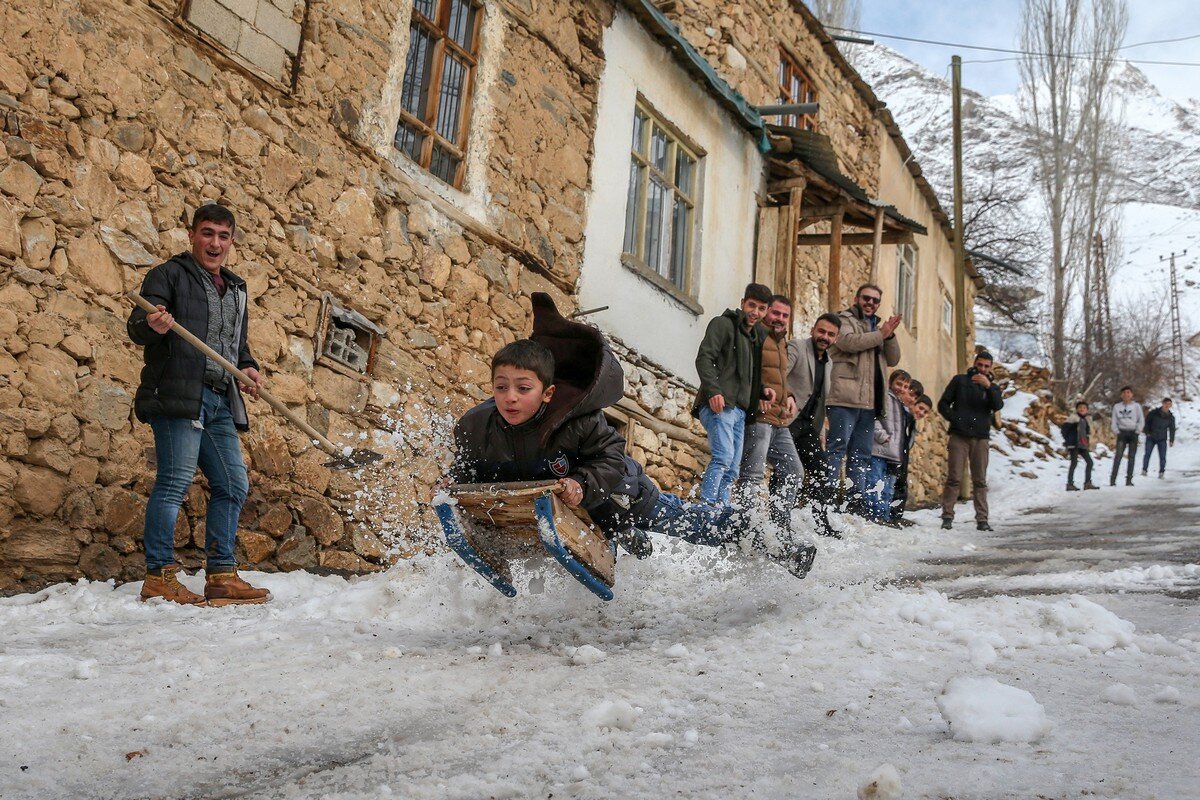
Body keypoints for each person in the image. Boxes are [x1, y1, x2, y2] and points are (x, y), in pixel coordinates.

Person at [450, 298, 816, 578]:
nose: (510, 397)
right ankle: (625, 537)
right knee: (611, 530)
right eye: (501, 387)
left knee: (689, 522)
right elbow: (469, 469)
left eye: (523, 388)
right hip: (569, 511)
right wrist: (452, 485)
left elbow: (609, 458)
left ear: (547, 393)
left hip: (622, 494)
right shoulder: (476, 427)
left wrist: (581, 482)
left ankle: (765, 537)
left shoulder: (577, 419)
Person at [127, 204, 270, 606]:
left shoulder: (238, 289)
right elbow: (138, 326)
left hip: (221, 399)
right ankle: (158, 575)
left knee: (233, 483)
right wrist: (151, 324)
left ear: (232, 242)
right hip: (178, 395)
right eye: (207, 233)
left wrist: (249, 369)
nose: (215, 243)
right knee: (175, 480)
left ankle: (222, 575)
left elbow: (237, 347)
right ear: (192, 235)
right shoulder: (168, 274)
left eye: (223, 236)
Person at [694, 283, 773, 506]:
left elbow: (749, 375)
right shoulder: (723, 324)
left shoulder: (755, 337)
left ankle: (722, 510)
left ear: (766, 312)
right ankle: (707, 507)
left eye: (761, 308)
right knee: (723, 458)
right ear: (742, 304)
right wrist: (713, 391)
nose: (755, 312)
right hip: (720, 406)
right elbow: (704, 359)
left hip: (740, 411)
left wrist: (761, 391)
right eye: (752, 305)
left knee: (733, 467)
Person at [825, 284, 902, 514]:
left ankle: (854, 505)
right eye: (866, 298)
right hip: (844, 399)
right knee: (836, 450)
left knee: (861, 456)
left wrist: (890, 335)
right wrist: (881, 334)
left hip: (869, 403)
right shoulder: (844, 319)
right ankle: (825, 500)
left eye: (875, 301)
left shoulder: (877, 328)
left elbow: (894, 358)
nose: (870, 303)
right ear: (857, 298)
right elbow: (848, 342)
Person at [734, 295, 802, 528]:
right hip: (760, 416)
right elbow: (748, 371)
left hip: (780, 419)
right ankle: (743, 527)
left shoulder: (781, 341)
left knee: (794, 471)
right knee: (752, 475)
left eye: (785, 315)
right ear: (767, 312)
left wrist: (790, 395)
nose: (780, 319)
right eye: (776, 313)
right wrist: (757, 396)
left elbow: (778, 377)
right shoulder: (757, 335)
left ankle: (779, 527)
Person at [785, 313, 841, 537]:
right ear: (813, 330)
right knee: (786, 470)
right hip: (787, 422)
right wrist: (786, 396)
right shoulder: (797, 347)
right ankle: (778, 519)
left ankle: (820, 521)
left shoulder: (829, 363)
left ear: (835, 339)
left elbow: (820, 400)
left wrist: (820, 431)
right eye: (822, 331)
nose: (824, 337)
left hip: (809, 428)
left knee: (821, 471)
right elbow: (779, 375)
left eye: (830, 334)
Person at [938, 351, 1004, 531]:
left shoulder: (993, 388)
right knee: (954, 478)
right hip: (959, 435)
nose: (982, 369)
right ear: (974, 363)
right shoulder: (960, 381)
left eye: (986, 366)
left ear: (990, 368)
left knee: (980, 480)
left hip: (981, 438)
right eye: (980, 364)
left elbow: (998, 405)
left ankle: (982, 519)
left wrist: (989, 387)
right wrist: (955, 418)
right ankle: (947, 516)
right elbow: (943, 404)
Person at [866, 370, 911, 523]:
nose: (902, 388)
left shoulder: (900, 404)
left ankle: (883, 516)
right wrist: (882, 436)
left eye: (905, 386)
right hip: (879, 450)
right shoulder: (885, 397)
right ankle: (873, 515)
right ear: (891, 382)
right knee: (875, 483)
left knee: (887, 488)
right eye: (899, 383)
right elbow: (875, 417)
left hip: (892, 454)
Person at [890, 389, 931, 528]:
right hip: (894, 455)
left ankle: (896, 516)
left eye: (925, 412)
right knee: (892, 485)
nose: (921, 413)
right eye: (921, 408)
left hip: (903, 457)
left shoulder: (912, 421)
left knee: (901, 486)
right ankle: (888, 515)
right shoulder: (902, 416)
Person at [1061, 401, 1099, 491]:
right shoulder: (1072, 418)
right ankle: (1070, 484)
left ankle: (1087, 483)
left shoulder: (1086, 420)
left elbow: (1087, 432)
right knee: (1074, 463)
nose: (1082, 409)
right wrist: (1068, 440)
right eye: (1080, 408)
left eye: (1084, 408)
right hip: (1074, 444)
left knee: (1090, 462)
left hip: (1083, 444)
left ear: (1087, 410)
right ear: (1077, 409)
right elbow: (1064, 430)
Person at [1110, 386, 1144, 487]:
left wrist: (1138, 430)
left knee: (1131, 457)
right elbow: (1114, 420)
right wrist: (1116, 431)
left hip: (1133, 432)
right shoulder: (1117, 407)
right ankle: (1113, 479)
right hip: (1122, 432)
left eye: (1128, 392)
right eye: (1124, 393)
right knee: (1118, 456)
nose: (1126, 394)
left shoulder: (1136, 406)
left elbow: (1140, 419)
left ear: (1132, 394)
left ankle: (1129, 479)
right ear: (1121, 395)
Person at [1142, 398, 1176, 478]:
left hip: (1162, 438)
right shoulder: (1154, 413)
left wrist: (1171, 440)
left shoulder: (1170, 417)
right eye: (1166, 404)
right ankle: (1144, 470)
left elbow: (1172, 429)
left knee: (1162, 456)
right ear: (1162, 404)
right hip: (1151, 436)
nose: (1167, 406)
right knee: (1147, 454)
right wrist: (1147, 432)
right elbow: (1147, 422)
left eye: (1169, 404)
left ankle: (1161, 472)